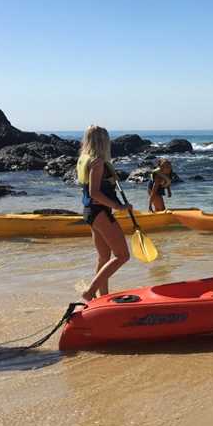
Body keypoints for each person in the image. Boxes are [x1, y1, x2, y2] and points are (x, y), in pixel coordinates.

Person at [76, 125, 132, 302]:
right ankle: (90, 291)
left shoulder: (84, 159)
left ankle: (103, 297)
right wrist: (119, 206)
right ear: (103, 142)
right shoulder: (98, 162)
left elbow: (90, 192)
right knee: (122, 255)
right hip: (100, 212)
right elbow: (94, 193)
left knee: (104, 256)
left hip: (90, 212)